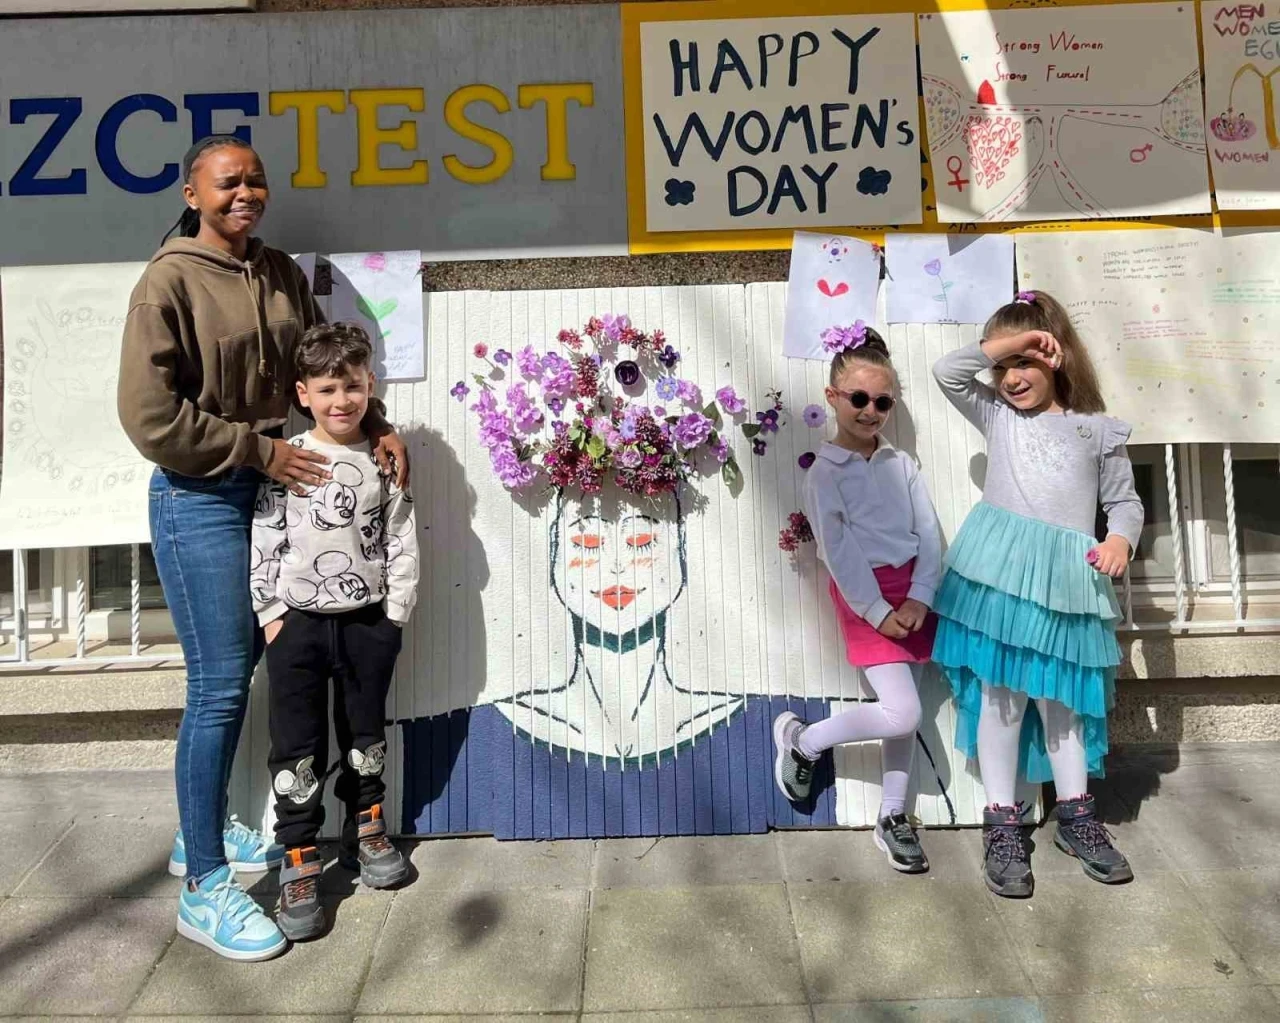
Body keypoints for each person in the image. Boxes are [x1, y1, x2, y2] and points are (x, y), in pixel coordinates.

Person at [118, 134, 408, 961]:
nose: (245, 192)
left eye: (255, 179)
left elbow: (321, 369)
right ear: (191, 193)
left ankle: (197, 835)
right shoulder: (167, 281)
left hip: (279, 490)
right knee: (218, 687)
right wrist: (259, 451)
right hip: (202, 496)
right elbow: (149, 416)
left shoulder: (278, 271)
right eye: (226, 182)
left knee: (244, 671)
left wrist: (380, 427)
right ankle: (204, 888)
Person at [930, 289, 1143, 898]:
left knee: (1062, 702)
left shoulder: (1095, 430)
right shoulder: (997, 415)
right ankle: (1002, 824)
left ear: (1058, 356)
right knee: (1001, 699)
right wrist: (1014, 341)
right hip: (1001, 578)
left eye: (1026, 361)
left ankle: (1076, 816)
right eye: (1003, 365)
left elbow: (1124, 502)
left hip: (1067, 581)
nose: (1011, 377)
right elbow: (947, 371)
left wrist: (1120, 540)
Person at [252, 322, 417, 941]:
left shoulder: (383, 460)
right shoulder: (288, 459)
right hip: (296, 628)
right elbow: (264, 538)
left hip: (367, 624)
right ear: (303, 394)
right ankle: (299, 858)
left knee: (364, 731)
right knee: (296, 742)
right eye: (326, 389)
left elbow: (400, 537)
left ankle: (365, 828)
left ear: (370, 385)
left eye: (352, 387)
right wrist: (271, 615)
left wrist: (394, 616)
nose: (341, 401)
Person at [772, 327, 943, 873]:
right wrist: (878, 612)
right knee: (902, 711)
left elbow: (930, 534)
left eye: (882, 402)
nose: (871, 411)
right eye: (859, 399)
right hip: (866, 599)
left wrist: (920, 598)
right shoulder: (825, 474)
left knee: (904, 718)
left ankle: (892, 815)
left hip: (913, 597)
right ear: (833, 397)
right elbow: (838, 552)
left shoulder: (902, 465)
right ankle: (805, 741)